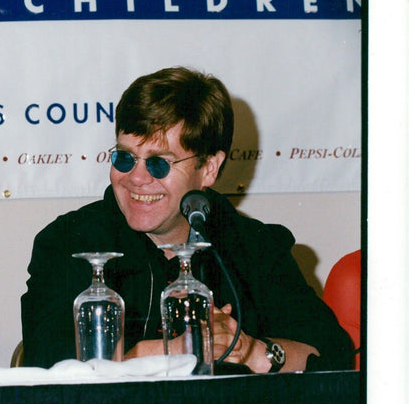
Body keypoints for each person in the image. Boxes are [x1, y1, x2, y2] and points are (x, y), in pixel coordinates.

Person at [20, 66, 352, 372]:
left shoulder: (255, 246)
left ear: (208, 168)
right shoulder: (69, 241)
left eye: (159, 163)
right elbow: (47, 360)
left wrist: (248, 350)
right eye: (124, 158)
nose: (136, 178)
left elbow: (332, 356)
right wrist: (175, 351)